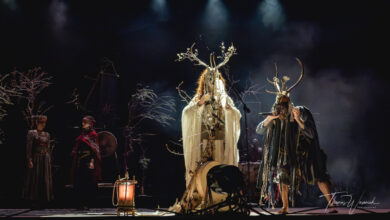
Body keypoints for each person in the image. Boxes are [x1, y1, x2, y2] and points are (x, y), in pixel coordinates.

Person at [256, 58, 336, 214]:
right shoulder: (275, 117)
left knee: (318, 174)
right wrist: (268, 119)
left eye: (284, 104)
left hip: (303, 153)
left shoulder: (298, 112)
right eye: (280, 105)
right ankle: (285, 207)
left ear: (289, 103)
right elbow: (260, 130)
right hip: (284, 155)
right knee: (282, 177)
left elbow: (311, 134)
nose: (282, 108)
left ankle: (332, 203)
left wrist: (298, 120)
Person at [181, 68, 241, 187]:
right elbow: (186, 113)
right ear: (205, 81)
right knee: (203, 169)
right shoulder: (199, 97)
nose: (212, 82)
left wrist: (229, 110)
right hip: (203, 141)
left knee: (219, 168)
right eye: (209, 79)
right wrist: (200, 103)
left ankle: (219, 195)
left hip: (220, 140)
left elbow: (237, 114)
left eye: (215, 79)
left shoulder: (225, 98)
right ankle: (202, 193)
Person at [70, 115, 101, 210]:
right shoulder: (82, 135)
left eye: (85, 122)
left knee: (87, 183)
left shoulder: (93, 135)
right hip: (80, 160)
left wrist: (92, 162)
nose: (83, 124)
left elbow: (95, 150)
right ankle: (79, 202)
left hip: (88, 160)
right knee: (79, 182)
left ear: (90, 124)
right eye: (82, 122)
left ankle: (86, 203)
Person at [22, 115, 54, 209]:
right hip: (36, 158)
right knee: (35, 178)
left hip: (45, 158)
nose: (43, 124)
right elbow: (29, 148)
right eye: (41, 122)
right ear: (37, 123)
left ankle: (44, 200)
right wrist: (29, 159)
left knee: (44, 178)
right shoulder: (32, 133)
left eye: (44, 123)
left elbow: (48, 148)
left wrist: (49, 159)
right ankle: (34, 200)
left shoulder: (47, 134)